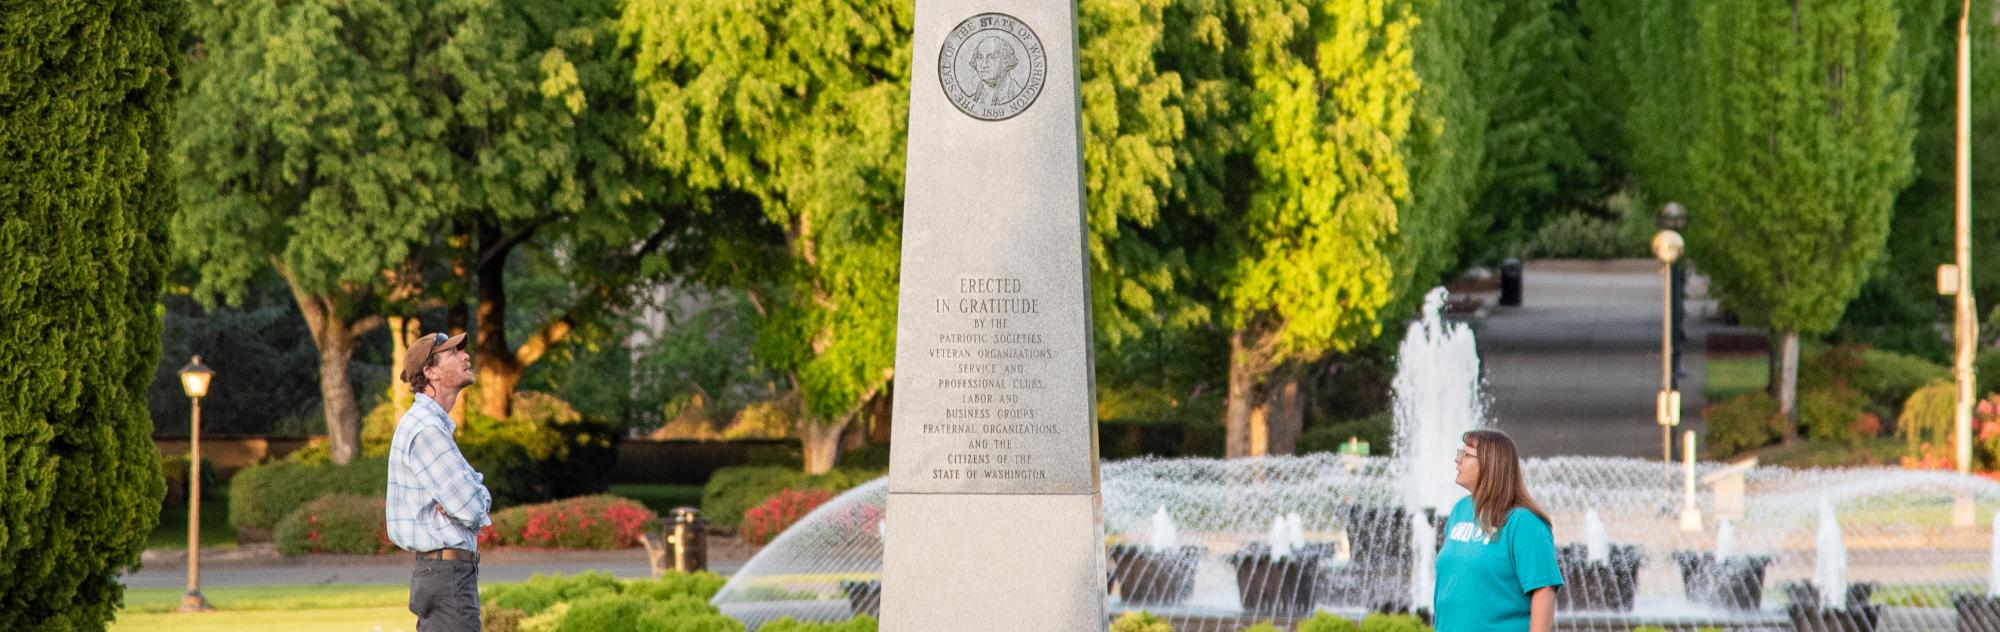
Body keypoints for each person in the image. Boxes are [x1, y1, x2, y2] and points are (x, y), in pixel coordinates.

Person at [386, 332, 492, 631]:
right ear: (430, 372)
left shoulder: (429, 424)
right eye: (453, 353)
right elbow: (472, 507)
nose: (465, 356)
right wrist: (476, 494)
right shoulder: (428, 429)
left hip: (440, 572)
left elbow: (469, 500)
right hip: (448, 577)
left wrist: (473, 492)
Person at [1434, 429, 1562, 632]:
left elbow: (1543, 590)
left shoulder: (1523, 522)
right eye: (1461, 452)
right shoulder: (1460, 510)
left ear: (1490, 464)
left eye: (1467, 455)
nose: (1457, 460)